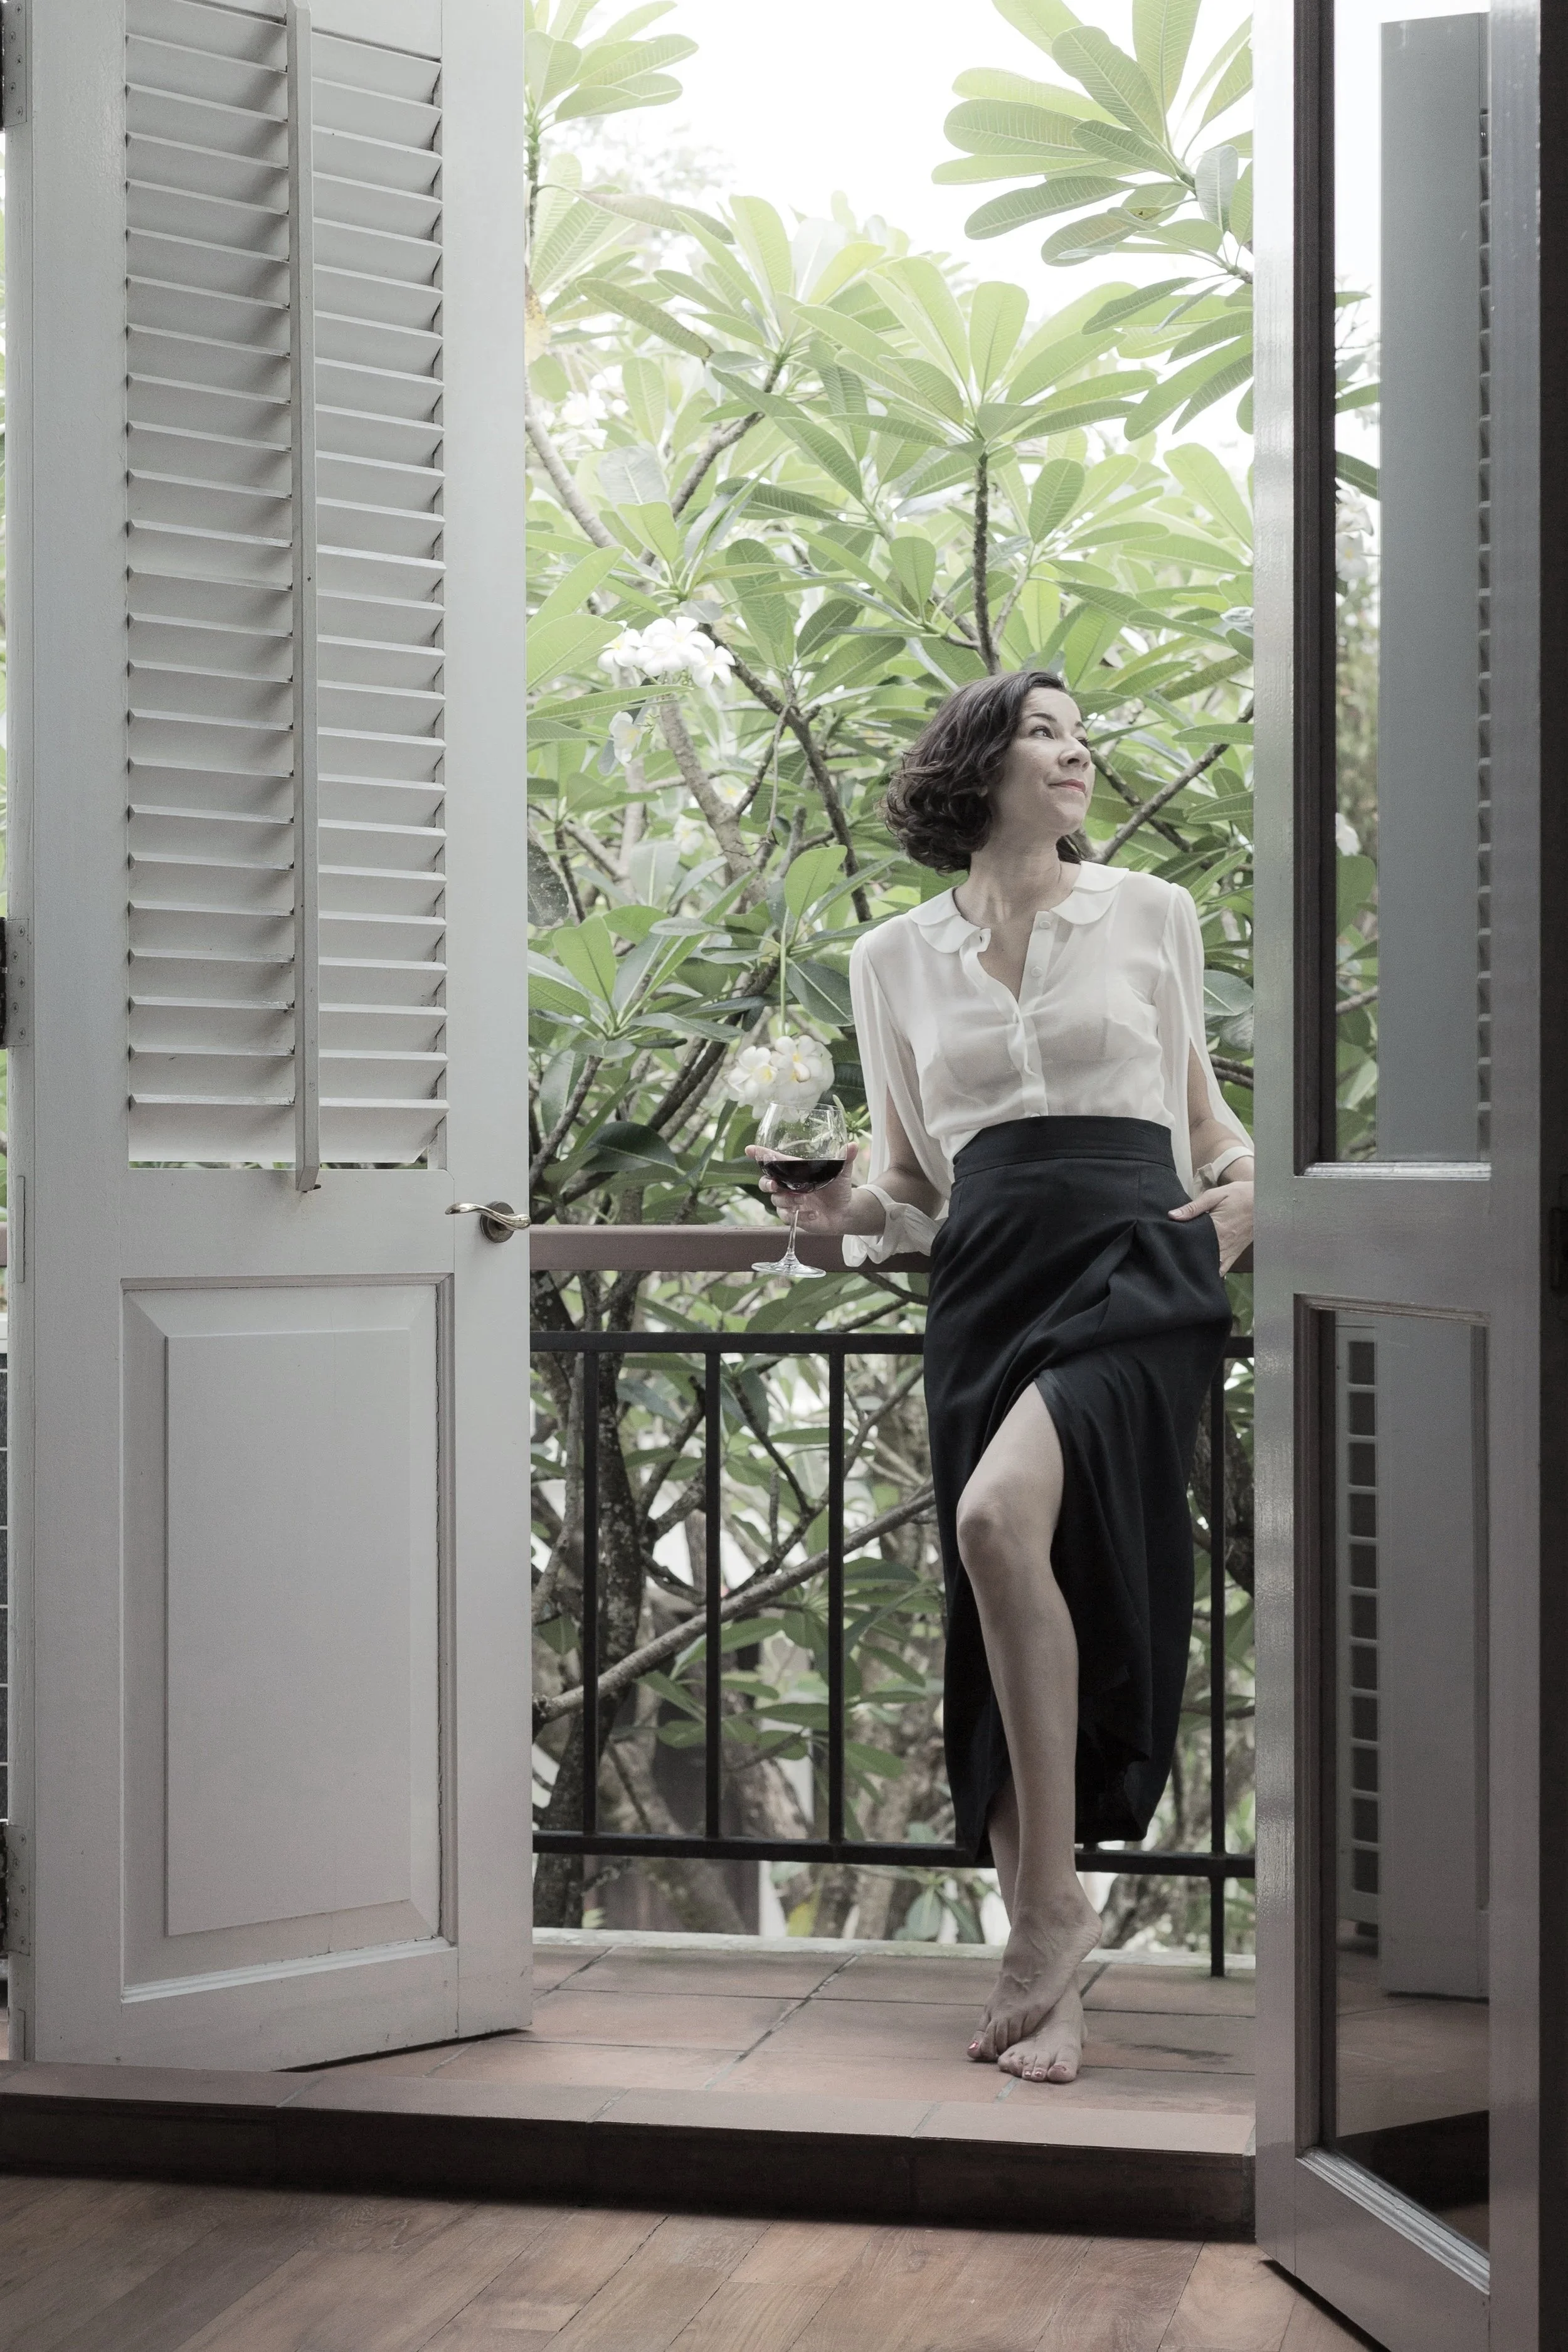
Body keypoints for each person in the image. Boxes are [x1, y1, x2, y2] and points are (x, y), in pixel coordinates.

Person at [754, 669, 1254, 2085]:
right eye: (1045, 733)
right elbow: (912, 1186)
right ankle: (1054, 1976)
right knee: (1010, 1583)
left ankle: (1046, 1908)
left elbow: (1208, 1123)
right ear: (977, 766)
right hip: (986, 1281)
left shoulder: (1150, 912)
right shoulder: (889, 957)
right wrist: (831, 1210)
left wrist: (1250, 1195)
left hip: (1139, 1266)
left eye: (1082, 734)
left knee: (992, 1520)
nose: (1075, 753)